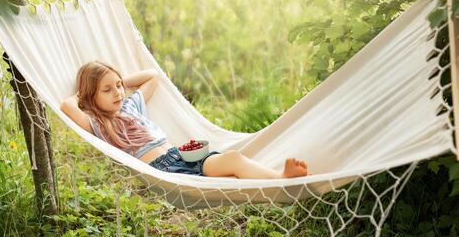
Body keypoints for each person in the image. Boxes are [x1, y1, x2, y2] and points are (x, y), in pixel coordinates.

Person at [60, 60, 308, 179]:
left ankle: (279, 179)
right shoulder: (97, 123)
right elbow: (66, 105)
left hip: (182, 155)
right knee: (226, 178)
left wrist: (119, 80)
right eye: (107, 90)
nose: (117, 93)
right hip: (165, 169)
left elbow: (151, 76)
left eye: (119, 86)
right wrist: (84, 93)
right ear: (91, 96)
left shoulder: (131, 105)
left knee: (233, 160)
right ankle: (279, 180)